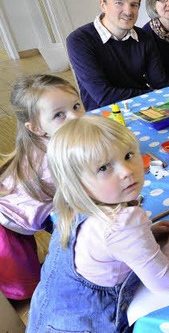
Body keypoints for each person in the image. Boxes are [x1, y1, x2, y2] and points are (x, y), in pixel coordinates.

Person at [27, 116, 169, 332]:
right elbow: (164, 282)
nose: (126, 171)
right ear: (78, 184)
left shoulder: (72, 204)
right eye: (104, 167)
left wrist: (145, 237)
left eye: (128, 155)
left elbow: (105, 247)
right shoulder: (122, 224)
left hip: (47, 318)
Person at [0, 75, 85, 301]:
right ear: (36, 128)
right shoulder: (53, 158)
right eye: (59, 115)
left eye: (76, 105)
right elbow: (77, 199)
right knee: (24, 292)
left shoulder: (50, 140)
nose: (75, 116)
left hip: (15, 220)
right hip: (8, 231)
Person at [66, 0, 169, 111]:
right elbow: (104, 96)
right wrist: (152, 95)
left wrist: (166, 95)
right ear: (103, 5)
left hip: (145, 110)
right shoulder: (79, 40)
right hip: (105, 118)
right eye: (119, 3)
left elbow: (160, 84)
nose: (128, 11)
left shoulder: (144, 37)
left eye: (134, 5)